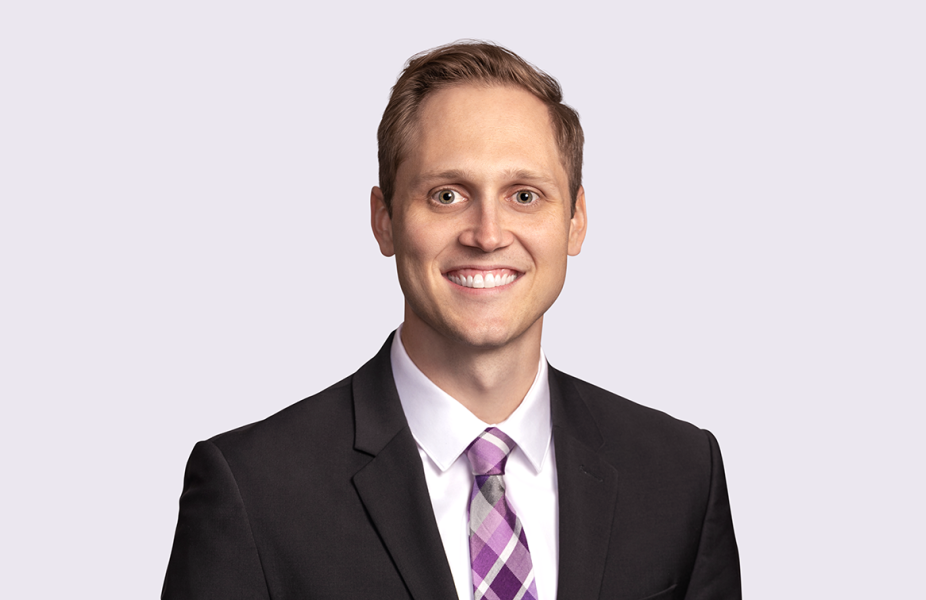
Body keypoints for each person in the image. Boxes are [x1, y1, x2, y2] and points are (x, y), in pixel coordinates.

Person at [162, 41, 741, 600]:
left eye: (524, 196)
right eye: (447, 195)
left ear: (576, 221)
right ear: (384, 220)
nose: (487, 235)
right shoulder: (253, 490)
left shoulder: (681, 475)